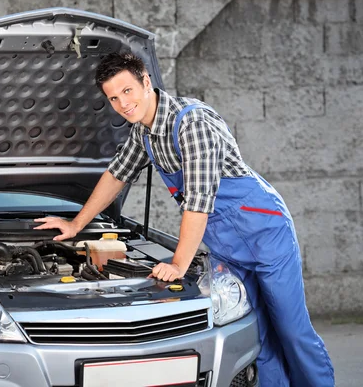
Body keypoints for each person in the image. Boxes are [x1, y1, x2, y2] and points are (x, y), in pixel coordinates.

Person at [34, 52, 335, 387]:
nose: (122, 103)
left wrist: (178, 265)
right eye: (113, 98)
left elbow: (199, 203)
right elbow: (117, 175)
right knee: (257, 335)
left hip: (266, 232)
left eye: (127, 91)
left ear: (146, 82)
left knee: (292, 332)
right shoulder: (144, 133)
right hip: (226, 243)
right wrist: (77, 224)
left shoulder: (192, 124)